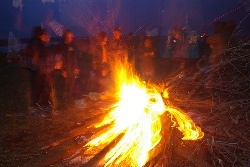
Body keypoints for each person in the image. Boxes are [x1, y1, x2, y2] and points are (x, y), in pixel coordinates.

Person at [24, 26, 53, 116]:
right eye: (45, 34)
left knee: (44, 90)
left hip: (42, 73)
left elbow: (45, 59)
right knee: (37, 91)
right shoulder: (35, 45)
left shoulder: (40, 45)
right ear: (40, 35)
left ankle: (43, 108)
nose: (47, 36)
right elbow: (33, 61)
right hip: (38, 73)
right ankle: (34, 109)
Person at [56, 29, 80, 106]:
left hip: (72, 70)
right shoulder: (61, 46)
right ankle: (62, 103)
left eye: (71, 37)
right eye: (68, 37)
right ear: (65, 37)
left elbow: (75, 58)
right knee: (63, 86)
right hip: (65, 70)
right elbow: (59, 59)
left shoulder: (73, 46)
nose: (70, 38)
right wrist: (63, 70)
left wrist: (76, 68)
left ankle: (69, 101)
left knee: (71, 86)